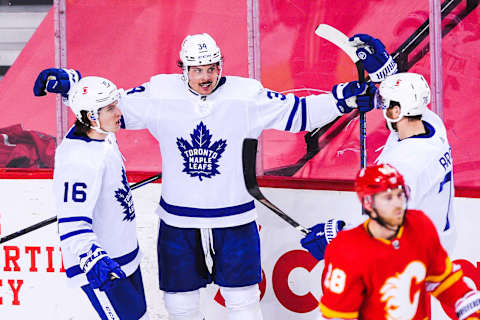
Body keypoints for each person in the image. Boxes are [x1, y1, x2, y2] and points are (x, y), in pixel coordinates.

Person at [33, 32, 393, 320]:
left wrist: (342, 100)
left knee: (243, 301)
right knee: (180, 305)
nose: (205, 77)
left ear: (221, 65)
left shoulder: (246, 95)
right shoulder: (160, 93)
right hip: (177, 220)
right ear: (183, 70)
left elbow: (297, 112)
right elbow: (109, 106)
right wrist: (71, 88)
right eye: (197, 69)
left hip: (234, 216)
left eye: (211, 68)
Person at [319, 163, 480, 320]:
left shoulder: (419, 225)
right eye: (388, 198)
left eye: (399, 194)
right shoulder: (347, 248)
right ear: (368, 203)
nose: (398, 204)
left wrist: (468, 307)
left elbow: (444, 280)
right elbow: (337, 317)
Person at [50, 75, 148, 319]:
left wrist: (71, 87)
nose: (119, 113)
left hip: (123, 253)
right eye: (111, 108)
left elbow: (84, 104)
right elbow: (72, 222)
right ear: (92, 115)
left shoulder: (100, 131)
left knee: (140, 314)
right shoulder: (79, 160)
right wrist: (93, 259)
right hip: (102, 263)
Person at [374, 72, 456, 253]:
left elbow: (384, 227)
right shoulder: (434, 126)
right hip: (438, 245)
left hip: (415, 261)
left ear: (396, 111)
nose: (381, 108)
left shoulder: (404, 166)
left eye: (384, 104)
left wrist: (338, 233)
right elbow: (411, 99)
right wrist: (383, 70)